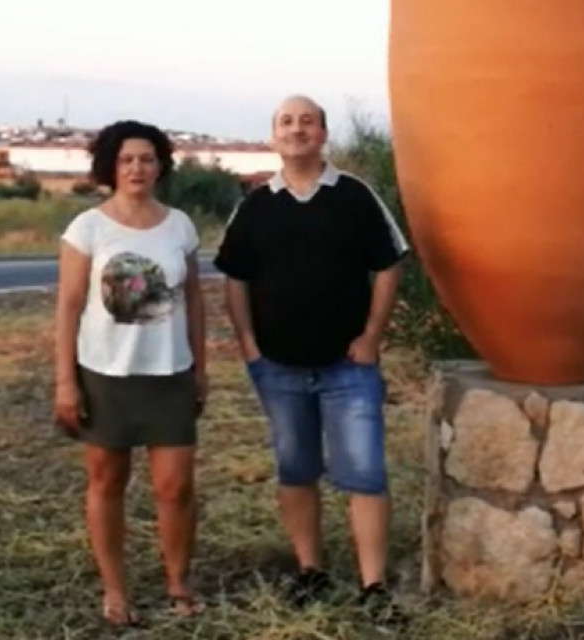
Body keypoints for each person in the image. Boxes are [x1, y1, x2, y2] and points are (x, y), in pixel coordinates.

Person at [213, 95, 409, 618]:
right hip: (278, 368)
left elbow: (390, 265)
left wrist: (371, 336)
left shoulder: (354, 197)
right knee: (296, 470)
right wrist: (249, 346)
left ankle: (374, 588)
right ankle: (310, 572)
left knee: (365, 474)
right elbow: (235, 277)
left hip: (350, 369)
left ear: (323, 134)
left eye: (307, 121)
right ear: (274, 135)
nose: (296, 129)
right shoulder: (255, 205)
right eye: (286, 121)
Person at [52, 119, 207, 628]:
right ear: (110, 167)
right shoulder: (88, 228)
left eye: (146, 158)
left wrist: (200, 369)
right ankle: (115, 591)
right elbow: (69, 308)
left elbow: (195, 303)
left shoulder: (180, 226)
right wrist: (66, 381)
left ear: (161, 164)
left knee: (175, 486)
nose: (137, 168)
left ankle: (178, 582)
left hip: (169, 373)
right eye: (126, 160)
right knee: (106, 481)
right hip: (106, 374)